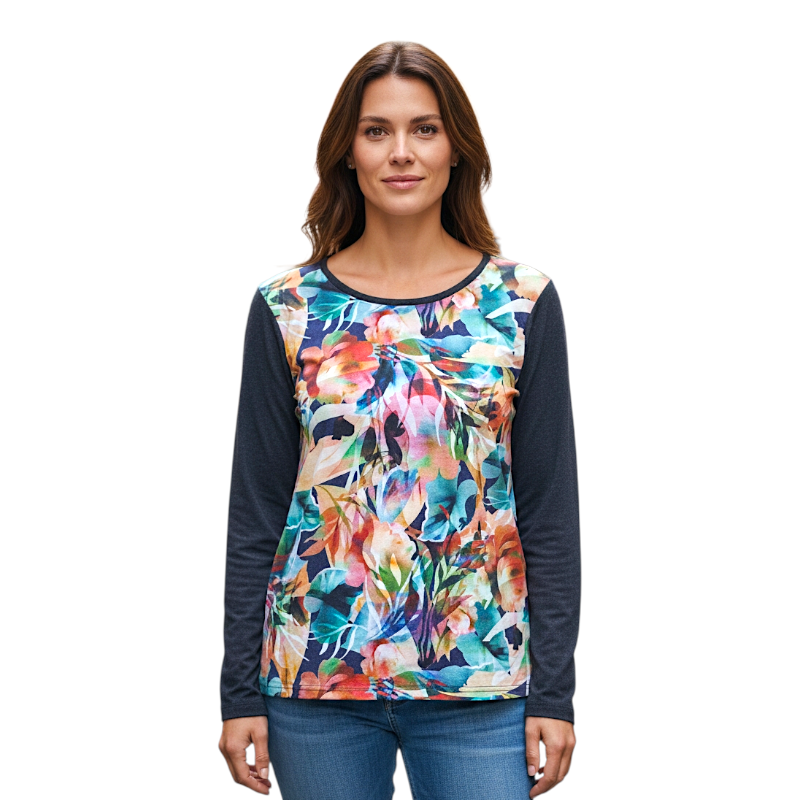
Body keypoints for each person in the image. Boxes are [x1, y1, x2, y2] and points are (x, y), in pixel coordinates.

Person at [218, 41, 581, 800]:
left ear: (457, 149)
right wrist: (238, 692)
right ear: (346, 153)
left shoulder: (519, 304)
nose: (401, 152)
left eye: (425, 129)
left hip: (480, 681)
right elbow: (257, 509)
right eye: (376, 131)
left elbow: (549, 511)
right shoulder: (289, 309)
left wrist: (554, 693)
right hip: (314, 682)